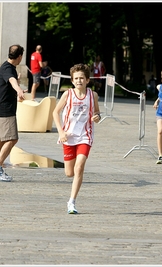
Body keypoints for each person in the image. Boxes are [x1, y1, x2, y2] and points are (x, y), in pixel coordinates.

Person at [52, 63, 101, 214]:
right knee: (69, 173)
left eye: (82, 78)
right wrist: (61, 132)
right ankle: (74, 182)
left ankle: (71, 202)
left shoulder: (93, 95)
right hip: (68, 136)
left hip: (85, 136)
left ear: (87, 80)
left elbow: (98, 113)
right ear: (72, 81)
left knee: (79, 167)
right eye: (76, 78)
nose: (79, 81)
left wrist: (97, 117)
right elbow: (55, 112)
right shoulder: (68, 94)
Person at [0, 44, 26, 182]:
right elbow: (12, 80)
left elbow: (11, 82)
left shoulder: (5, 67)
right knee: (12, 139)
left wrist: (17, 87)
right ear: (20, 56)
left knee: (0, 140)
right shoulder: (8, 68)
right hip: (5, 110)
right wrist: (19, 89)